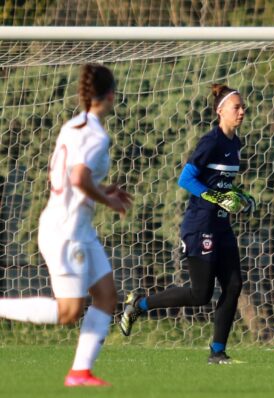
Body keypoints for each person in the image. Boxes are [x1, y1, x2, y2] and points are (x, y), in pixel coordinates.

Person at [0, 64, 132, 386]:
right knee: (69, 312)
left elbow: (77, 177)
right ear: (111, 95)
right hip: (66, 231)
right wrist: (108, 200)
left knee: (106, 296)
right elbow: (78, 177)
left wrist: (102, 190)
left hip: (79, 228)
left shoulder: (73, 125)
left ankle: (80, 372)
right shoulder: (97, 135)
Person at [119, 83, 254, 365]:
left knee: (233, 285)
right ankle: (138, 305)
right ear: (220, 111)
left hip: (221, 225)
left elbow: (220, 183)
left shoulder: (234, 143)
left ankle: (217, 353)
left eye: (243, 107)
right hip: (200, 225)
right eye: (236, 107)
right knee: (200, 294)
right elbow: (186, 179)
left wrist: (239, 195)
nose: (242, 111)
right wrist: (217, 196)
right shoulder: (212, 142)